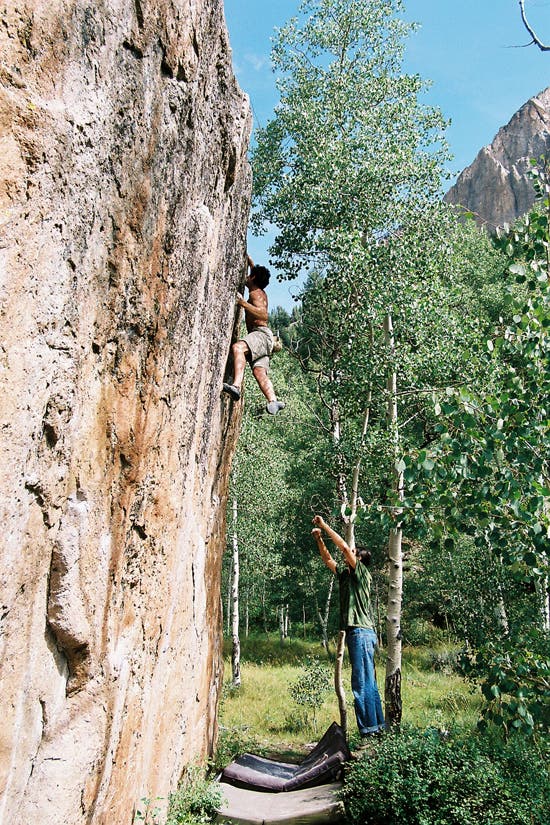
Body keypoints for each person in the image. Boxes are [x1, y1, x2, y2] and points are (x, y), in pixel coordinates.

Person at [312, 514, 386, 738]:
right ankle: (377, 727)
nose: (349, 554)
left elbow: (344, 548)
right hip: (359, 634)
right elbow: (328, 560)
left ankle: (368, 732)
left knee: (362, 684)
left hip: (361, 633)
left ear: (359, 560)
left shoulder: (362, 574)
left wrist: (324, 525)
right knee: (368, 682)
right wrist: (319, 539)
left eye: (354, 553)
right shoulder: (346, 576)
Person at [223, 254, 285, 415]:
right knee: (259, 372)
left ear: (254, 277)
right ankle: (273, 400)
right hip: (265, 341)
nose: (246, 277)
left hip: (261, 334)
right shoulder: (259, 291)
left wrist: (243, 303)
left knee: (238, 348)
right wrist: (249, 259)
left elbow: (263, 315)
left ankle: (236, 386)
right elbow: (253, 269)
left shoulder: (255, 294)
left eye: (249, 275)